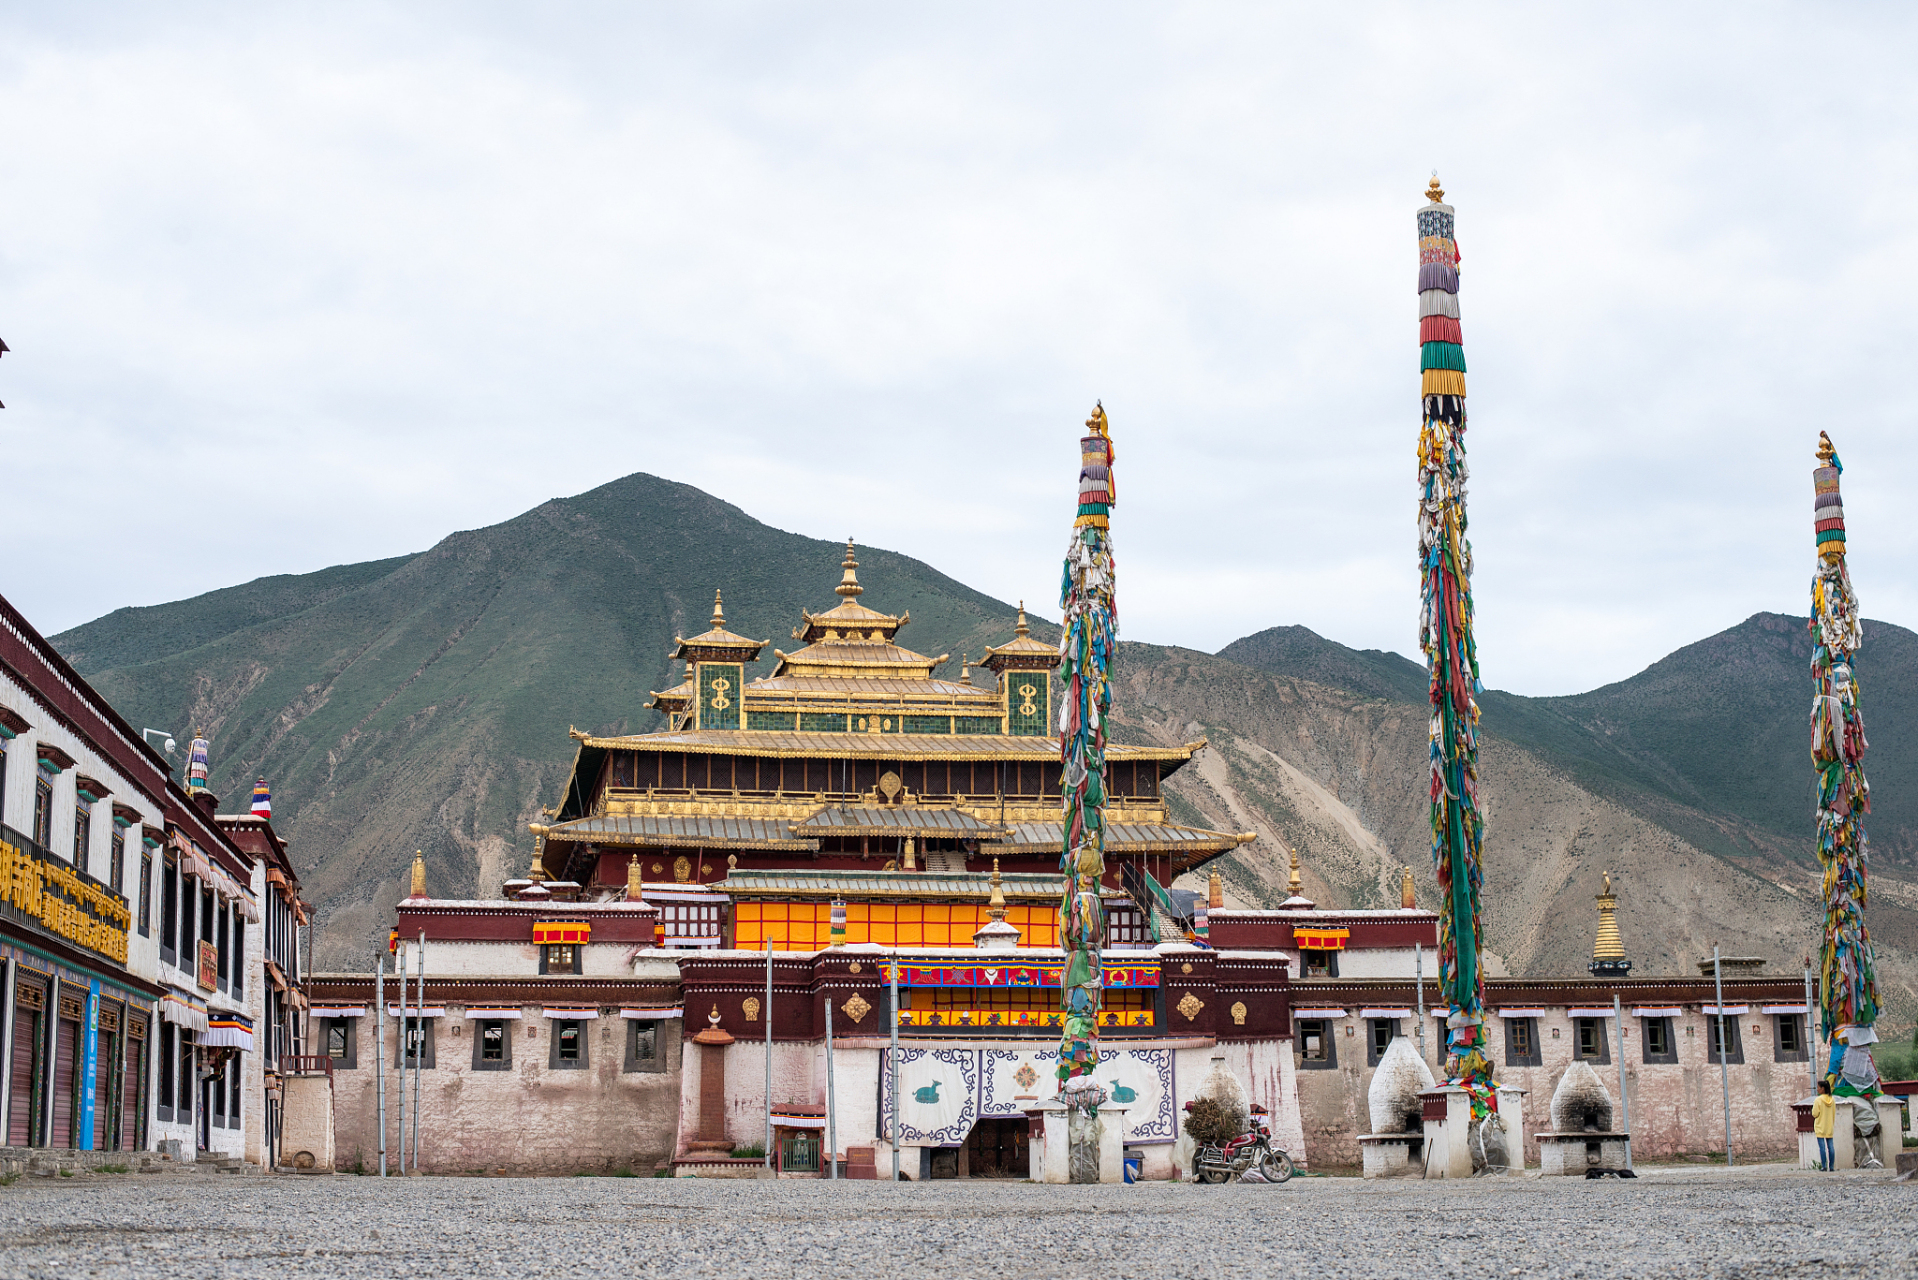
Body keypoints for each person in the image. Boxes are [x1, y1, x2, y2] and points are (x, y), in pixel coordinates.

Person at [1811, 1080, 1836, 1171]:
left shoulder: (1818, 1100)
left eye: (1818, 1087)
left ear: (1823, 1089)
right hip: (1829, 1126)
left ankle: (1824, 1166)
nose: (1817, 1089)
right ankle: (1832, 1166)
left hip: (1820, 1126)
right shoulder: (1832, 1100)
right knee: (1831, 1147)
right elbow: (1833, 1113)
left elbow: (1814, 1113)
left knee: (1822, 1148)